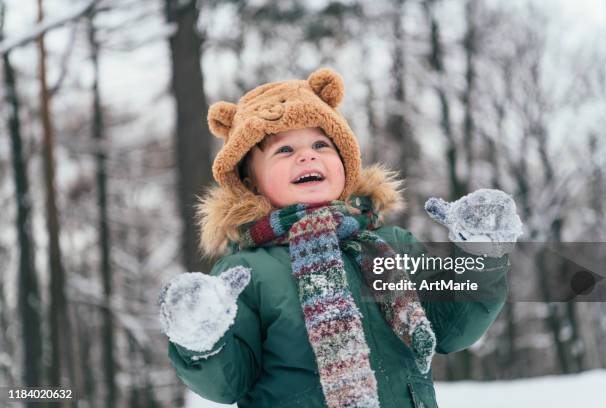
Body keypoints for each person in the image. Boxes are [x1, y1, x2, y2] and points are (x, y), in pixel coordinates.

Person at [159, 68, 523, 408]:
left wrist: (482, 255)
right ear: (251, 182)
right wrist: (202, 340)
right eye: (284, 150)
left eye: (321, 146)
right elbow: (229, 382)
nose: (306, 156)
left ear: (345, 163)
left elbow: (450, 327)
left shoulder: (389, 243)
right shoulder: (246, 271)